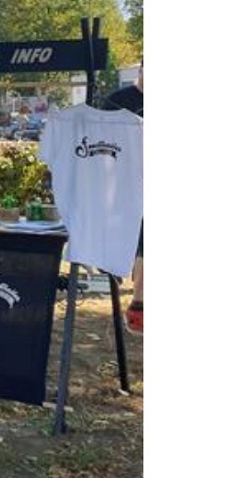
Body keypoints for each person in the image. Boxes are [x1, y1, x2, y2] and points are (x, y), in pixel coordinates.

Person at [102, 64, 144, 333]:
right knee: (127, 238)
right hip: (121, 179)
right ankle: (115, 273)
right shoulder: (117, 100)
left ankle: (139, 302)